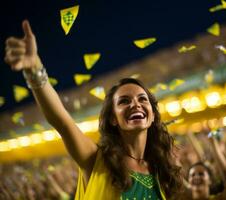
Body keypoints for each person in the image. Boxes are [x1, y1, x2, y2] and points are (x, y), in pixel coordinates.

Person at [4, 20, 183, 200]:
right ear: (113, 119)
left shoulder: (160, 171)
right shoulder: (96, 160)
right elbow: (62, 122)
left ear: (152, 115)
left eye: (142, 99)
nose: (135, 104)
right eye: (124, 101)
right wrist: (34, 68)